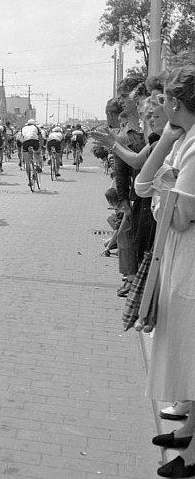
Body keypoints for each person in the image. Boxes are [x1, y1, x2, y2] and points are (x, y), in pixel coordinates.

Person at [133, 65, 195, 478]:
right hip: (180, 252)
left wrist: (165, 188)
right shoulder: (184, 138)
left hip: (187, 252)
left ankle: (192, 456)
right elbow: (148, 186)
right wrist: (164, 185)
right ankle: (191, 428)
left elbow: (180, 210)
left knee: (190, 346)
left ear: (175, 101)